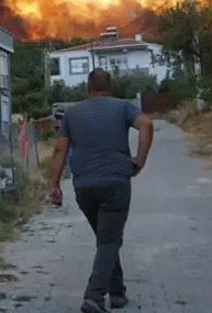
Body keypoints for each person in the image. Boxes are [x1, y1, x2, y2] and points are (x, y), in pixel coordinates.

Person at [47, 68, 155, 313]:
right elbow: (147, 124)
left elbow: (59, 150)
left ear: (88, 87)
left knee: (106, 238)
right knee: (109, 239)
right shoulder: (123, 107)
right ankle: (94, 297)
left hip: (84, 186)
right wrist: (139, 160)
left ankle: (117, 294)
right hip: (115, 182)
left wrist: (54, 185)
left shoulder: (72, 113)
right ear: (111, 87)